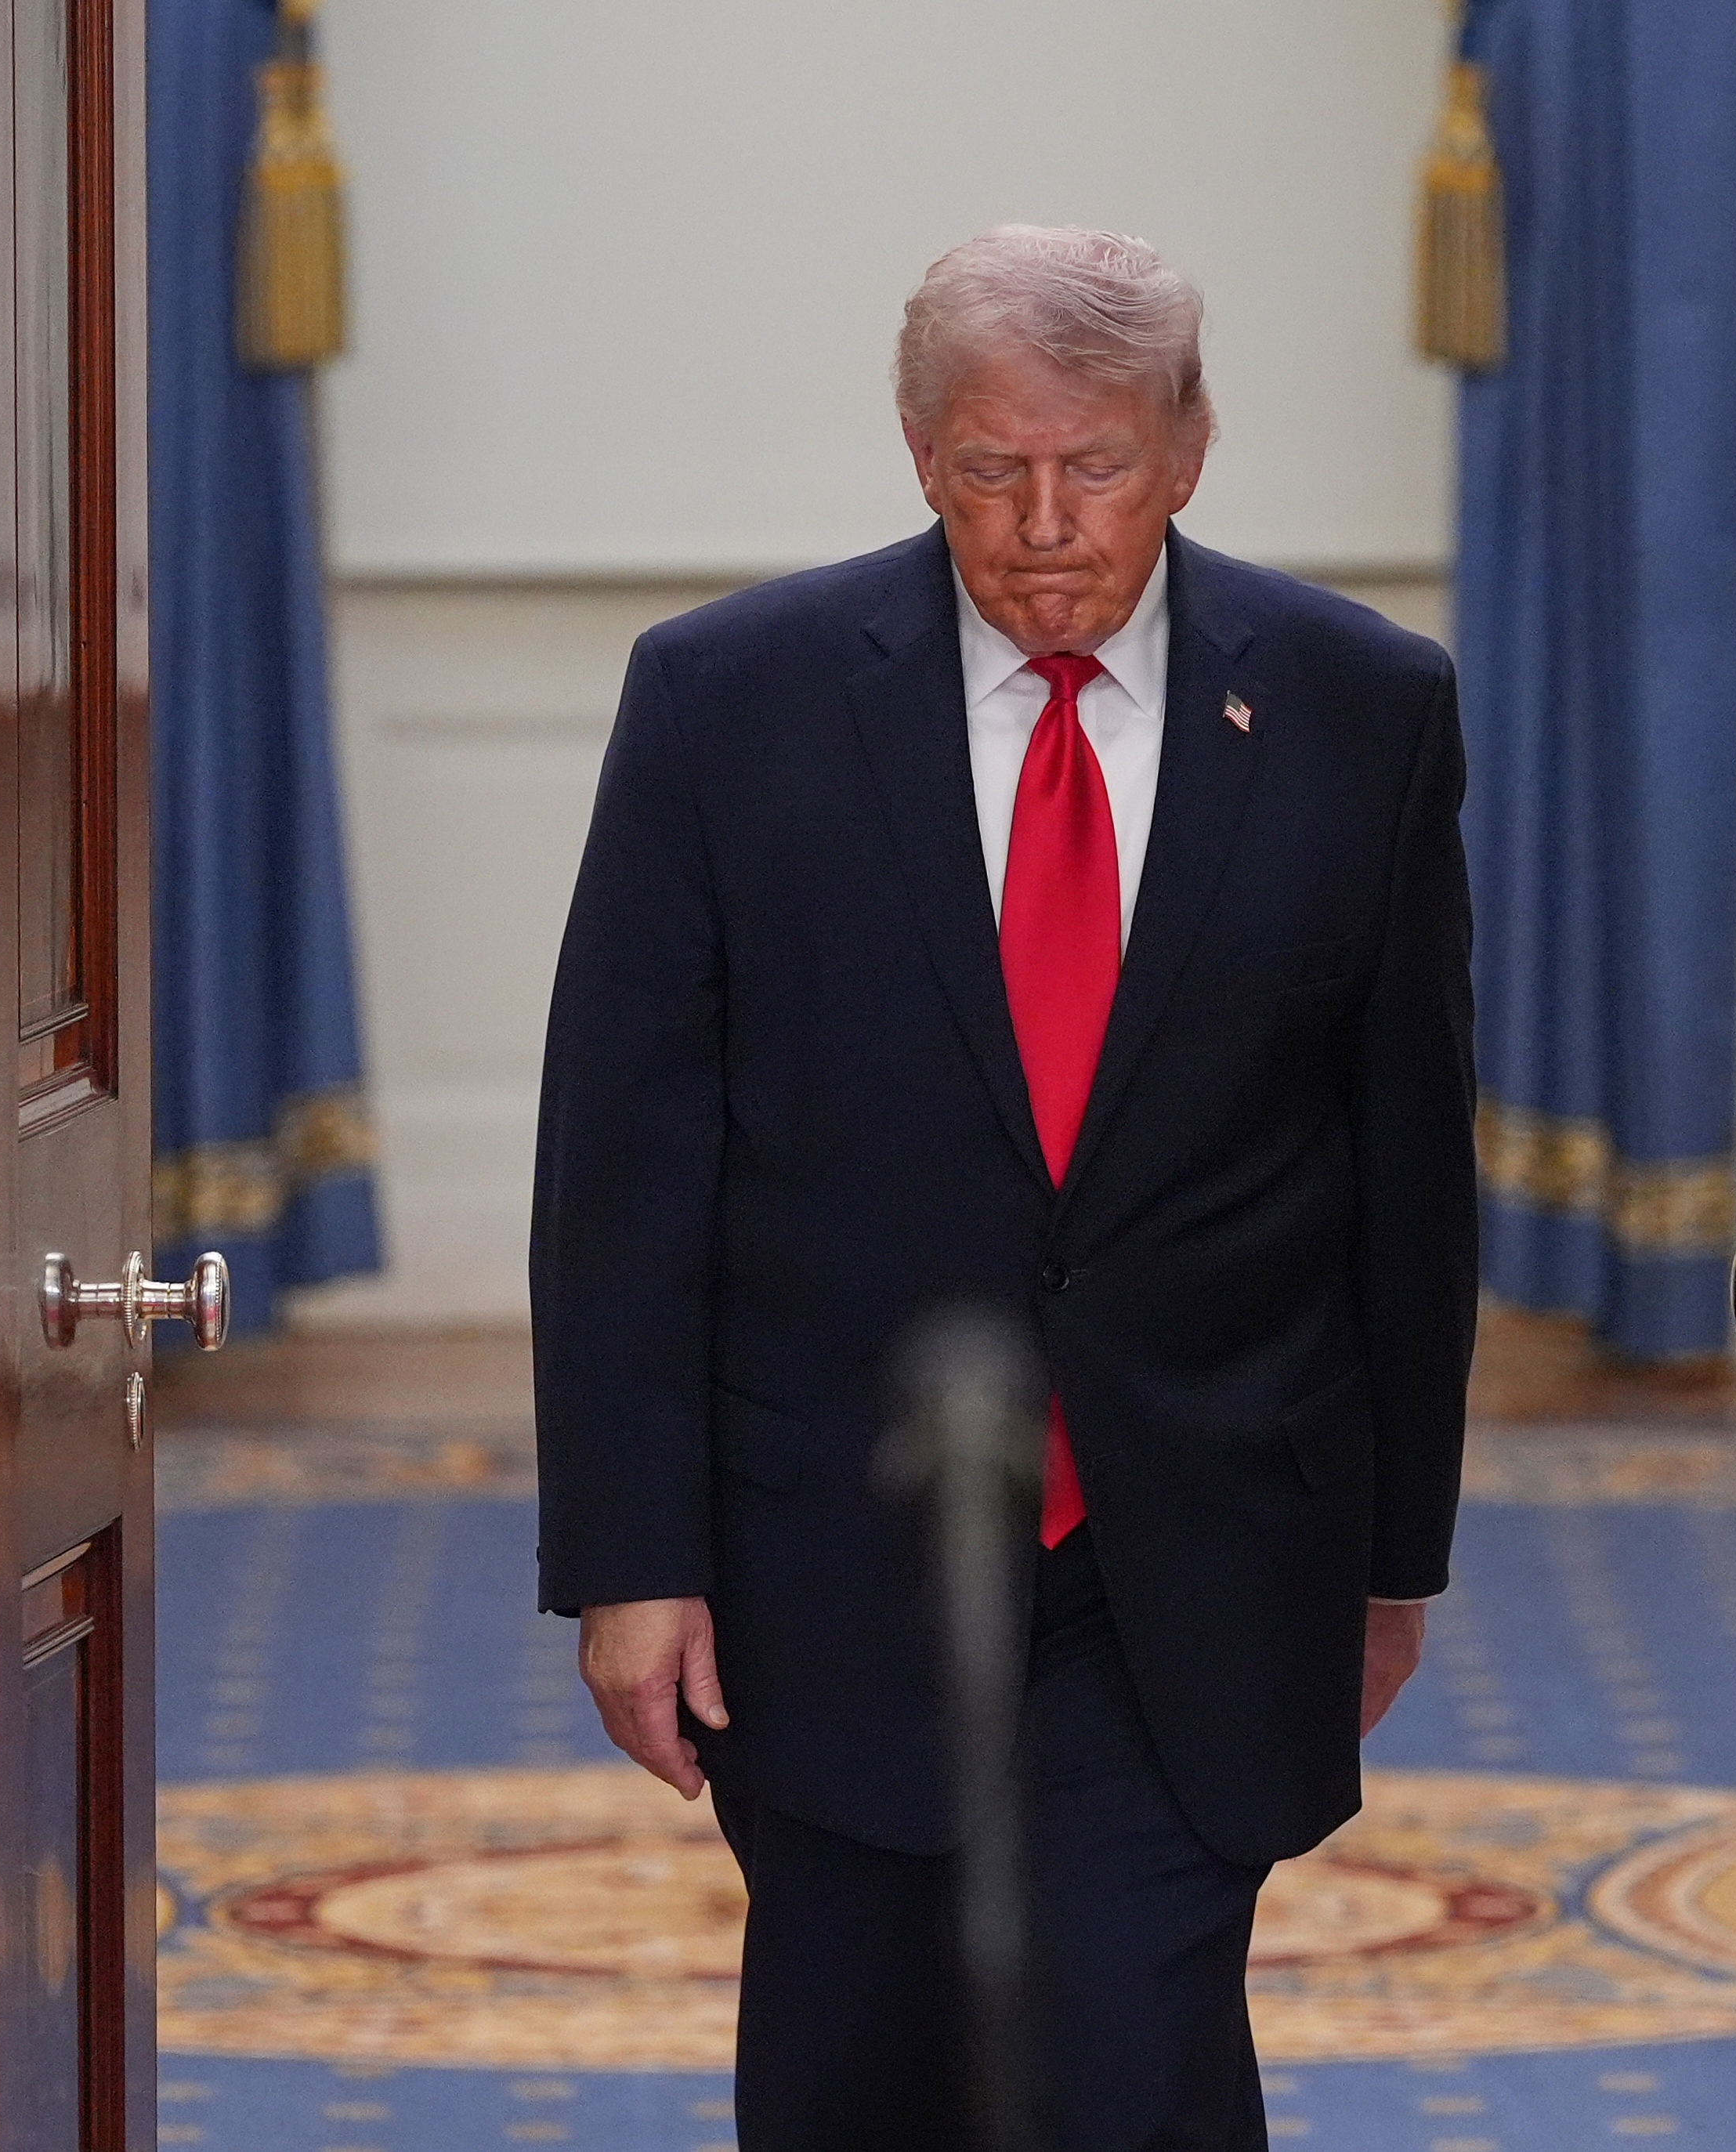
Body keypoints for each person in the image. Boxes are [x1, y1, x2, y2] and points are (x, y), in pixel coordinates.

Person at [532, 224, 1478, 2150]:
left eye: (1097, 465)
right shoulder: (728, 701)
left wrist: (1392, 1556)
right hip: (829, 1544)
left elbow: (1404, 1169)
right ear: (915, 454)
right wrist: (631, 1561)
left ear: (1188, 448)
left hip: (1194, 1552)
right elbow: (623, 1167)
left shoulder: (1357, 707)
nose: (1044, 523)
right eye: (990, 469)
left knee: (1125, 2066)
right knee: (853, 2067)